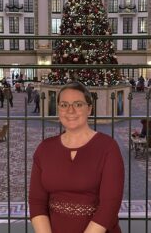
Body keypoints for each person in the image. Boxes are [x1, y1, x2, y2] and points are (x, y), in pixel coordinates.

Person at [29, 81, 124, 233]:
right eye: (64, 105)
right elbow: (36, 202)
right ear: (58, 109)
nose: (70, 110)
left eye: (78, 104)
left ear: (89, 109)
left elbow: (109, 207)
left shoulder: (108, 147)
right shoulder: (44, 149)